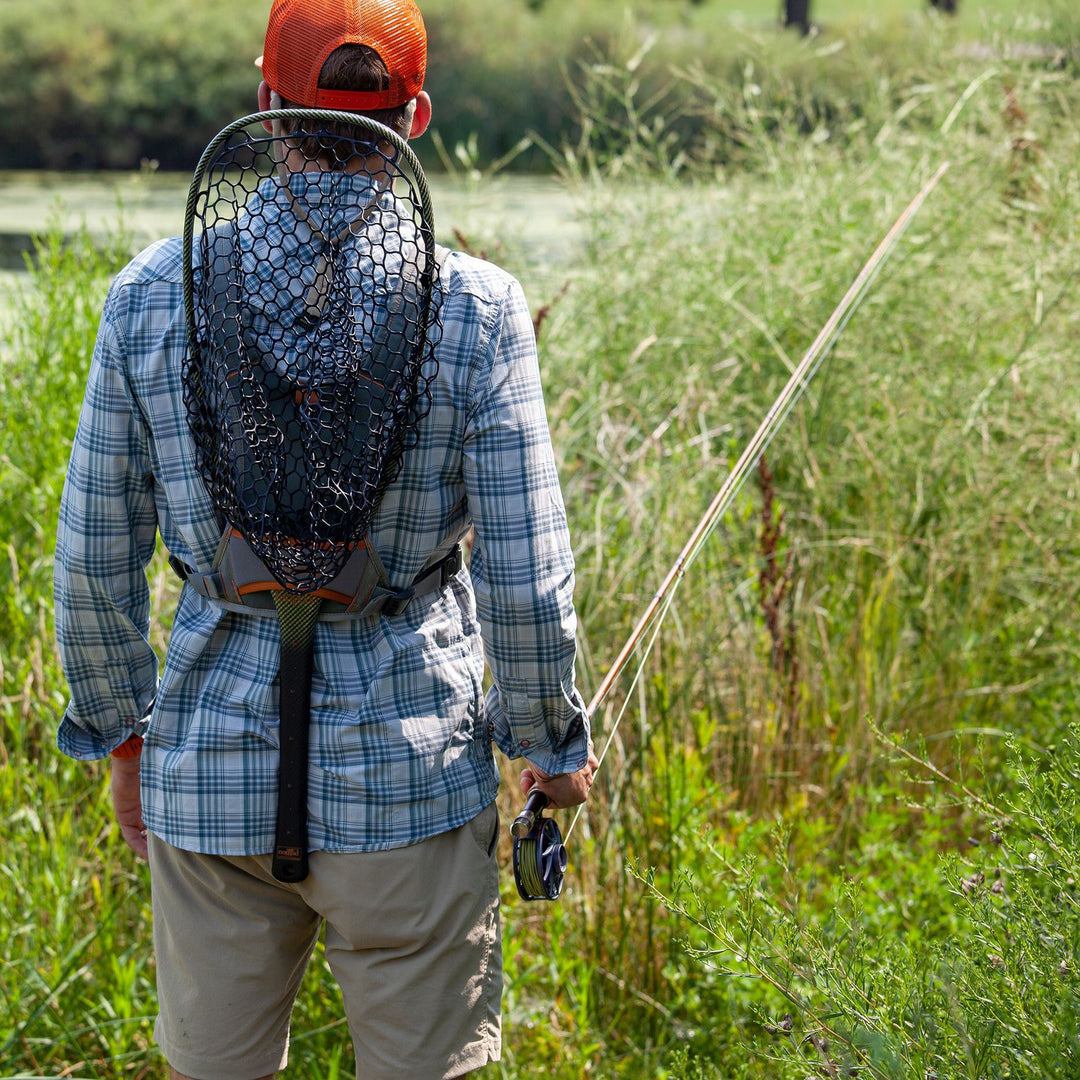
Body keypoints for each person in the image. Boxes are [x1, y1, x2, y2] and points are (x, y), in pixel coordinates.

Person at [53, 0, 596, 1076]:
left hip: (208, 778)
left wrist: (124, 740)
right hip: (408, 781)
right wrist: (549, 751)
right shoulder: (479, 308)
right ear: (419, 114)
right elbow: (528, 584)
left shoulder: (150, 295)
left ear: (265, 104)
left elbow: (92, 561)